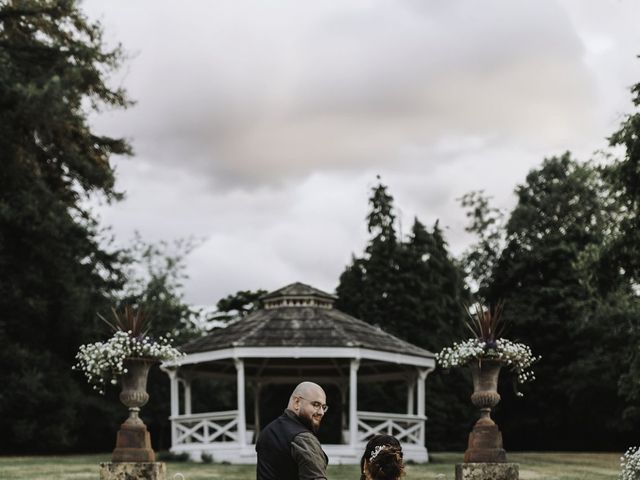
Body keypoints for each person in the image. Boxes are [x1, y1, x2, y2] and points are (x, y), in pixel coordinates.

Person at [256, 381, 329, 480]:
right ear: (297, 402)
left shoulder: (267, 431)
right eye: (316, 404)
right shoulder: (304, 438)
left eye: (323, 407)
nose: (321, 412)